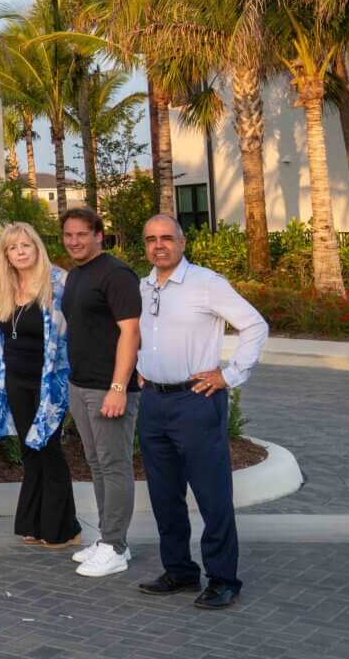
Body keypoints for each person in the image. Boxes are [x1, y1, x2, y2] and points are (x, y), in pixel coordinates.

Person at [134, 213, 268, 611]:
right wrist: (141, 369)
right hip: (154, 403)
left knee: (212, 496)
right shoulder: (144, 286)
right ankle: (179, 570)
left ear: (182, 242)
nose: (159, 245)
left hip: (196, 400)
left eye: (166, 238)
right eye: (150, 239)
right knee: (164, 494)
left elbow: (255, 325)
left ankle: (224, 578)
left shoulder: (206, 283)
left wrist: (229, 374)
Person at [0, 222, 80, 549]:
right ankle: (34, 523)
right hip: (14, 380)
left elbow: (80, 326)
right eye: (12, 248)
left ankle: (64, 528)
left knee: (48, 447)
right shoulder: (3, 287)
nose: (19, 252)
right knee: (30, 451)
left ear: (36, 248)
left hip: (49, 382)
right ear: (6, 255)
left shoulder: (59, 283)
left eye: (25, 246)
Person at [58, 206, 143, 578]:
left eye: (81, 234)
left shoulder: (116, 274)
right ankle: (108, 537)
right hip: (81, 385)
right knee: (96, 465)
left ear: (98, 235)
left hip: (109, 388)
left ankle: (116, 546)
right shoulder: (78, 276)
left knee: (114, 466)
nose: (74, 241)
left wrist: (119, 387)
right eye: (68, 235)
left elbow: (131, 332)